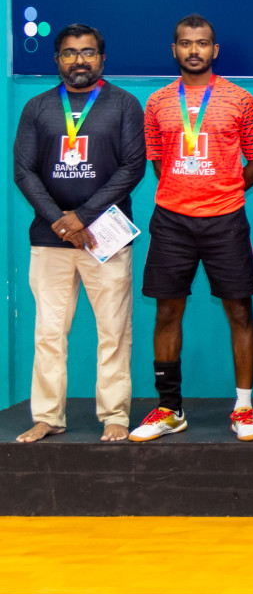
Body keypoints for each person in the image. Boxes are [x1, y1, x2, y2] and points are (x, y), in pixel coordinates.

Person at [131, 14, 253, 442]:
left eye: (202, 43)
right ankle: (170, 408)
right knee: (168, 311)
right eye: (186, 43)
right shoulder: (156, 103)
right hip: (171, 219)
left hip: (225, 218)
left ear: (215, 50)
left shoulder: (241, 100)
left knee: (240, 311)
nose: (194, 50)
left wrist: (223, 189)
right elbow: (158, 161)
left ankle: (243, 408)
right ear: (175, 50)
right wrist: (184, 189)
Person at [13, 24, 145, 443]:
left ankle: (115, 416)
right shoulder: (37, 108)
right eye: (69, 53)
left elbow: (132, 167)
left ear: (102, 59)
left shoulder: (123, 105)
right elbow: (24, 171)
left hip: (105, 236)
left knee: (113, 331)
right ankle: (48, 416)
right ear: (57, 60)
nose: (79, 61)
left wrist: (83, 216)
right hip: (49, 238)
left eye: (88, 53)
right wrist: (60, 219)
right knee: (49, 333)